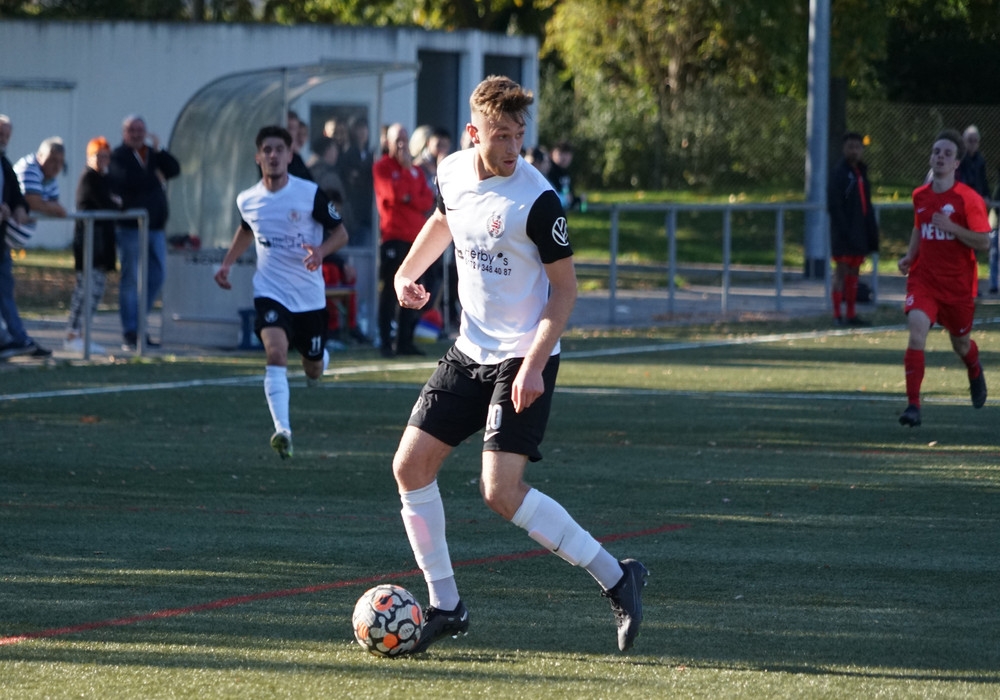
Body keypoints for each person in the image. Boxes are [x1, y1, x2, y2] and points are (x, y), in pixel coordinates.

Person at [389, 75, 648, 654]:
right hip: (469, 351)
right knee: (409, 467)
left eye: (518, 134)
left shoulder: (538, 199)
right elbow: (444, 220)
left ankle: (618, 577)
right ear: (473, 133)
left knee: (500, 491)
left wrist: (533, 365)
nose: (512, 147)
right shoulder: (451, 172)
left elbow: (565, 291)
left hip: (523, 357)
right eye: (501, 135)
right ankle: (446, 605)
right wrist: (407, 272)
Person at [214, 125, 348, 459]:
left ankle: (320, 359)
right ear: (258, 157)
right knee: (276, 353)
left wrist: (320, 251)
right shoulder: (247, 199)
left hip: (309, 297)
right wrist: (227, 264)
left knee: (312, 367)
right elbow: (247, 230)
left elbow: (341, 233)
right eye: (267, 150)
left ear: (290, 155)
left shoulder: (309, 193)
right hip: (270, 291)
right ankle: (282, 430)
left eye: (279, 149)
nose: (273, 155)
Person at [897, 129, 991, 427]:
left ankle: (974, 368)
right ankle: (913, 406)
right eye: (936, 151)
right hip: (924, 280)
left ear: (956, 164)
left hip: (957, 286)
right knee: (916, 332)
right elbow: (919, 227)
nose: (940, 157)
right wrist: (910, 257)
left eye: (947, 153)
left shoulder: (968, 199)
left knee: (960, 344)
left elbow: (984, 241)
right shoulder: (920, 196)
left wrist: (953, 228)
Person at [108, 114, 181, 350]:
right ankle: (130, 331)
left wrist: (159, 151)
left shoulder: (151, 154)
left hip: (156, 226)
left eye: (140, 130)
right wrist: (155, 178)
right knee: (130, 279)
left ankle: (140, 326)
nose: (137, 135)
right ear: (124, 133)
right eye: (132, 131)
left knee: (157, 276)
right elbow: (127, 181)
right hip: (131, 227)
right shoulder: (118, 156)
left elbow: (174, 169)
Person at [372, 122, 435, 357]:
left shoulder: (415, 170)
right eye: (397, 140)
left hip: (415, 240)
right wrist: (408, 192)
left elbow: (426, 200)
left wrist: (409, 195)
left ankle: (404, 342)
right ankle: (385, 342)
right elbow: (394, 193)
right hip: (393, 237)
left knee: (415, 290)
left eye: (404, 140)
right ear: (388, 142)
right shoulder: (382, 167)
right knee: (390, 292)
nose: (401, 145)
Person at [0, 114, 51, 359]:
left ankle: (18, 340)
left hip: (0, 244)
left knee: (5, 292)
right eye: (0, 133)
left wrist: (19, 207)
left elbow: (16, 194)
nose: (3, 139)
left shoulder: (4, 163)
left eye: (6, 135)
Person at [65, 137, 121, 354]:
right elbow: (107, 204)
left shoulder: (104, 178)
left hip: (102, 243)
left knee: (96, 290)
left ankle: (81, 334)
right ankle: (73, 334)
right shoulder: (89, 178)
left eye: (105, 156)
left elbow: (116, 202)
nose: (102, 160)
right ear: (89, 157)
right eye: (98, 155)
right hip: (89, 242)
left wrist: (116, 203)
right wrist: (115, 203)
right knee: (85, 289)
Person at [826, 132, 879, 326]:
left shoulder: (861, 173)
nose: (854, 151)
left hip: (859, 231)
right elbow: (834, 204)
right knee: (841, 271)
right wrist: (843, 229)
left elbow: (866, 204)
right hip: (843, 233)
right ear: (844, 148)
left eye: (857, 147)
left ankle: (851, 313)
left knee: (854, 272)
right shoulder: (839, 173)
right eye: (850, 147)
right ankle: (836, 314)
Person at [955, 126, 994, 293]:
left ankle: (971, 286)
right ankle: (961, 285)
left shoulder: (980, 160)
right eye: (969, 140)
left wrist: (986, 196)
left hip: (976, 209)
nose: (972, 144)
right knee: (961, 248)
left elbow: (983, 182)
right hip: (962, 207)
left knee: (974, 250)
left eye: (975, 141)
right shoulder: (959, 160)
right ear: (963, 141)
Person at [340, 115, 375, 247]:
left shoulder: (370, 154)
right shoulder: (347, 155)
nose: (362, 132)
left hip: (368, 211)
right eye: (358, 128)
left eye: (364, 128)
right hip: (353, 211)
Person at [547, 141, 579, 209]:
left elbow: (570, 196)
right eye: (561, 153)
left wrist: (577, 200)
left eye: (567, 154)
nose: (564, 158)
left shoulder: (566, 173)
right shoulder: (549, 172)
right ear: (552, 154)